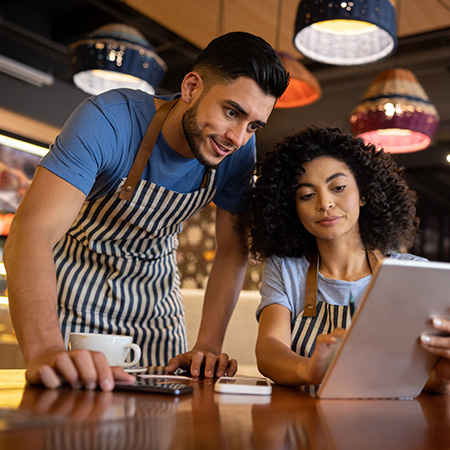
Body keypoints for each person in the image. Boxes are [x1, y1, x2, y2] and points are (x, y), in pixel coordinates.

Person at [3, 31, 289, 391]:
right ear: (191, 88)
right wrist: (45, 348)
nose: (238, 138)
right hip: (74, 299)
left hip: (156, 308)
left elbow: (232, 251)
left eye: (253, 126)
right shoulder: (108, 121)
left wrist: (207, 347)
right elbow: (32, 230)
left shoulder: (238, 155)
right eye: (232, 112)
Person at [244, 126, 450, 394]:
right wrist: (308, 370)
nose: (325, 202)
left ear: (364, 194)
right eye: (307, 195)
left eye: (338, 187)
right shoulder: (285, 268)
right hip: (307, 425)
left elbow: (426, 381)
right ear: (291, 208)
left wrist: (444, 376)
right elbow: (270, 347)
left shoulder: (413, 272)